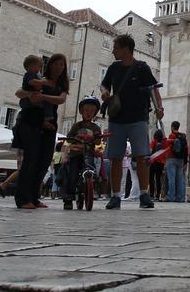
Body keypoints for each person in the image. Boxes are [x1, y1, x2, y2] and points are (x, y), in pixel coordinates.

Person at [101, 34, 164, 210]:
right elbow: (104, 84)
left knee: (142, 157)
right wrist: (105, 92)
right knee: (115, 158)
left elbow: (154, 89)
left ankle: (144, 194)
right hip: (116, 118)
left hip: (138, 117)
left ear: (125, 49)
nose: (113, 51)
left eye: (116, 47)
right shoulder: (113, 68)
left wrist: (160, 108)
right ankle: (115, 196)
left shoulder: (142, 68)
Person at [13, 54, 70, 210]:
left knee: (44, 162)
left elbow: (61, 100)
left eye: (62, 65)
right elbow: (19, 93)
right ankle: (23, 199)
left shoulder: (61, 84)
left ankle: (34, 197)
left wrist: (42, 96)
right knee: (30, 160)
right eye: (56, 64)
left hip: (50, 124)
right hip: (32, 122)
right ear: (49, 65)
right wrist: (31, 94)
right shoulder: (39, 79)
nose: (59, 67)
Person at [60, 96, 104, 210]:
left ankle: (90, 186)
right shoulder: (77, 125)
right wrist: (73, 138)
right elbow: (69, 138)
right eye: (86, 110)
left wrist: (97, 137)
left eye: (92, 111)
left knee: (91, 169)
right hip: (76, 154)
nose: (89, 113)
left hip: (88, 152)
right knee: (72, 174)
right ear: (81, 112)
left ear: (95, 113)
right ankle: (68, 198)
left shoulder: (95, 128)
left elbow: (99, 141)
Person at [165, 121, 188, 203]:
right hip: (181, 160)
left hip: (171, 159)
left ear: (172, 127)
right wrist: (186, 161)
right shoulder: (183, 136)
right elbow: (186, 149)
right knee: (180, 179)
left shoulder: (172, 135)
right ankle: (180, 197)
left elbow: (167, 146)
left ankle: (171, 197)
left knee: (171, 179)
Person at [149, 128, 167, 201]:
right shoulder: (164, 143)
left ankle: (151, 194)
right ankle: (157, 195)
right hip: (161, 163)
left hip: (153, 162)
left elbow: (150, 151)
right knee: (158, 179)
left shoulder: (154, 141)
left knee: (151, 178)